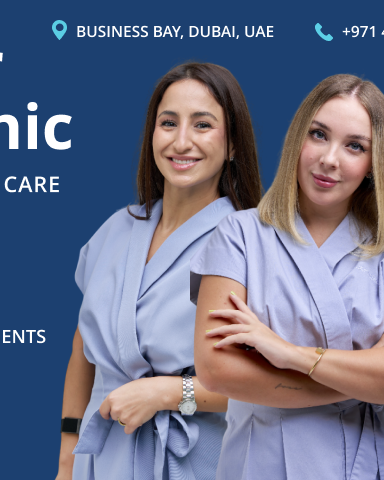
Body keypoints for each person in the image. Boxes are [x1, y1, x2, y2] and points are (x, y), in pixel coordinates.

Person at [192, 74, 384, 480]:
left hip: (374, 463)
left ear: (373, 165)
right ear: (297, 138)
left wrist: (289, 354)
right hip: (264, 463)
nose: (330, 159)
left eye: (355, 146)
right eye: (318, 134)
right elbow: (217, 370)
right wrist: (371, 370)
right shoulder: (238, 236)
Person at [56, 63, 264, 480]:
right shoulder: (116, 229)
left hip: (195, 458)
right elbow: (84, 349)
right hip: (99, 459)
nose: (181, 141)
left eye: (202, 125)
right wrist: (67, 457)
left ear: (233, 144)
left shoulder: (254, 243)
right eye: (168, 123)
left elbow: (270, 383)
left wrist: (170, 393)